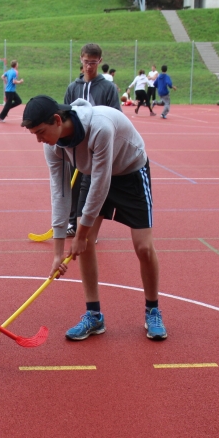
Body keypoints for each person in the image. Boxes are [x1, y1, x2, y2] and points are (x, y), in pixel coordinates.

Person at [20, 95, 167, 342]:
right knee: (84, 246)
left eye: (41, 132)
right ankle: (94, 315)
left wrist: (80, 235)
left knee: (143, 246)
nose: (39, 140)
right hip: (96, 173)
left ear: (57, 120)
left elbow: (101, 182)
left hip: (130, 171)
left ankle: (153, 309)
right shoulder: (52, 146)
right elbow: (60, 192)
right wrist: (58, 251)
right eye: (34, 134)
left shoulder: (100, 127)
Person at [63, 43, 121, 238]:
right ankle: (72, 222)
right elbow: (65, 114)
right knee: (74, 184)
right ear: (81, 59)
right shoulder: (73, 88)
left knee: (95, 186)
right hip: (77, 146)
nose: (89, 67)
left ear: (100, 61)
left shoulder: (108, 88)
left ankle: (90, 228)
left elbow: (115, 116)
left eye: (93, 63)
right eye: (87, 62)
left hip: (99, 146)